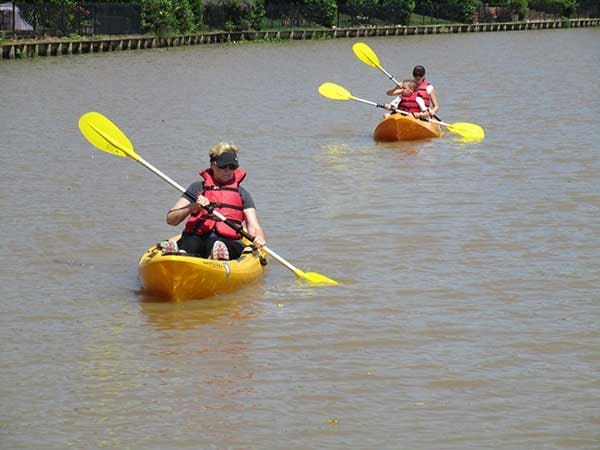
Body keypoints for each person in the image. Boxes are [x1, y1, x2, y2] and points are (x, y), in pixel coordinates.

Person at [164, 142, 266, 260]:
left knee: (216, 244)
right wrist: (193, 207)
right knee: (191, 241)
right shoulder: (197, 188)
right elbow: (171, 220)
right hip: (197, 238)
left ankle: (217, 256)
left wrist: (259, 237)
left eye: (232, 167)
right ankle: (177, 255)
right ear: (212, 165)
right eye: (223, 166)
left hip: (228, 241)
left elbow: (254, 226)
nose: (227, 170)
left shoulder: (242, 193)